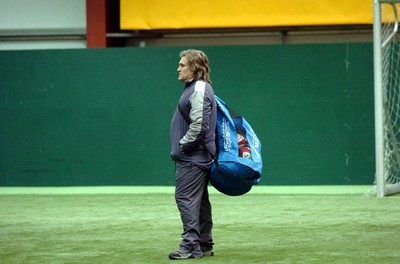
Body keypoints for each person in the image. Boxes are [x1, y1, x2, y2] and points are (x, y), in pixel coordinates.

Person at [169, 49, 217, 260]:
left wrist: (183, 145)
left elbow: (199, 125)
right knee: (200, 201)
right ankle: (204, 243)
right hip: (198, 156)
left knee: (186, 198)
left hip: (192, 157)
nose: (178, 68)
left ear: (194, 68)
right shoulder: (196, 88)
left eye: (182, 64)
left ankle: (189, 246)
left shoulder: (197, 89)